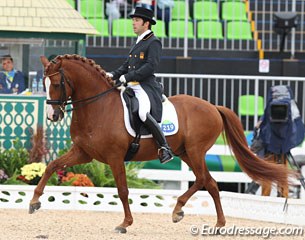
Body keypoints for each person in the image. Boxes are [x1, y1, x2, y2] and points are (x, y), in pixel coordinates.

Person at [106, 7, 174, 164]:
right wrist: (112, 74)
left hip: (145, 86)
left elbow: (150, 67)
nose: (133, 23)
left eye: (137, 20)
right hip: (133, 85)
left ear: (146, 23)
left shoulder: (153, 42)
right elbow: (127, 65)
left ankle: (164, 147)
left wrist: (127, 77)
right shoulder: (139, 41)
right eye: (133, 20)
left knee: (143, 112)